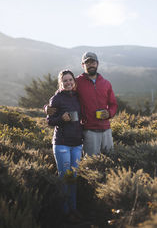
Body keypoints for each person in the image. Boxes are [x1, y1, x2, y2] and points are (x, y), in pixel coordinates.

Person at [46, 52, 118, 156]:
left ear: (97, 64)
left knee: (111, 159)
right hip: (89, 131)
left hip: (106, 130)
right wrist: (46, 107)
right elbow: (61, 94)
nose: (90, 65)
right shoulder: (77, 82)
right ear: (82, 65)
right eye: (87, 63)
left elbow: (113, 104)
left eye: (92, 62)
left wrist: (109, 113)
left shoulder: (106, 83)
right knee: (91, 164)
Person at [46, 69, 83, 224]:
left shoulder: (77, 97)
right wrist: (61, 118)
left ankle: (73, 209)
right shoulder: (56, 99)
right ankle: (65, 212)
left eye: (70, 80)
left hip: (77, 144)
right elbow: (49, 121)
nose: (68, 82)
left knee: (73, 178)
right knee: (64, 177)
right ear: (61, 83)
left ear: (74, 81)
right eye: (65, 80)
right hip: (61, 144)